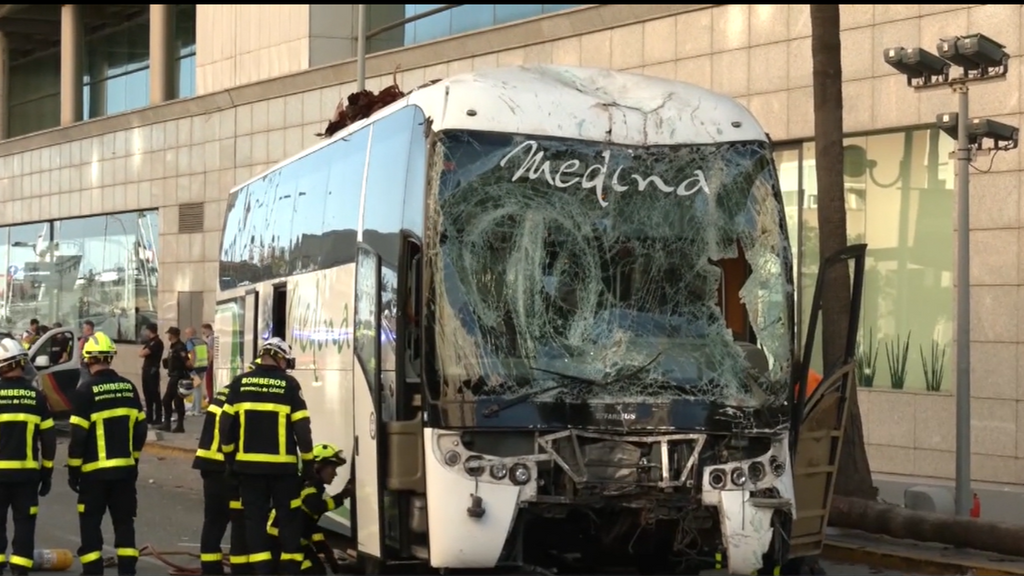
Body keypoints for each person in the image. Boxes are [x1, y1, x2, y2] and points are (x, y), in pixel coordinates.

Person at [219, 337, 314, 575]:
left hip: (249, 470)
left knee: (255, 523)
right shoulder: (289, 385)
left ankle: (262, 572)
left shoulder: (240, 383)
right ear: (280, 357)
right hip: (284, 472)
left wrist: (230, 461)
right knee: (289, 522)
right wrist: (309, 463)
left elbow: (225, 426)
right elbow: (302, 429)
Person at [67, 332, 148, 576]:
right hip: (124, 472)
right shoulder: (128, 387)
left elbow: (78, 437)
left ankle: (92, 571)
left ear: (88, 360)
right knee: (124, 523)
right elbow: (141, 429)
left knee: (91, 523)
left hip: (94, 474)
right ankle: (127, 570)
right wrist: (133, 459)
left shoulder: (84, 391)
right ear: (110, 358)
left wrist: (73, 469)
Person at [0, 338, 57, 576]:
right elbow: (49, 438)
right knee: (25, 524)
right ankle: (20, 569)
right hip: (27, 475)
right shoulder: (37, 397)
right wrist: (47, 471)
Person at [267, 444, 351, 574]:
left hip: (294, 539)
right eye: (332, 468)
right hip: (280, 542)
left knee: (316, 570)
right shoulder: (308, 488)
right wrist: (343, 495)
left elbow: (310, 525)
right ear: (318, 467)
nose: (335, 473)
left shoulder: (312, 486)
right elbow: (317, 507)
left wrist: (326, 552)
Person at [193, 384, 250, 575]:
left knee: (214, 522)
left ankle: (210, 570)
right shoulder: (244, 395)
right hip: (227, 467)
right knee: (239, 523)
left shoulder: (226, 391)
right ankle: (241, 570)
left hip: (209, 465)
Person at [160, 327, 190, 433]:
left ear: (172, 335)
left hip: (178, 377)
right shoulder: (173, 347)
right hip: (174, 375)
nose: (168, 336)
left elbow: (187, 362)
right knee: (174, 401)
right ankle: (170, 424)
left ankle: (176, 425)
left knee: (170, 400)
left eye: (169, 334)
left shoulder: (180, 347)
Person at [138, 323, 164, 424]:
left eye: (146, 330)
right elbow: (141, 352)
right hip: (146, 370)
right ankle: (149, 417)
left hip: (152, 371)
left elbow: (143, 353)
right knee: (147, 394)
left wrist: (143, 352)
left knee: (154, 394)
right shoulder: (150, 342)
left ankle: (158, 417)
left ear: (150, 331)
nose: (145, 332)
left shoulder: (157, 342)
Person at [184, 327, 210, 416]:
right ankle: (194, 408)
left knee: (196, 388)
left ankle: (197, 410)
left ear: (190, 333)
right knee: (197, 387)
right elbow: (209, 353)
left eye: (186, 333)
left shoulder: (190, 342)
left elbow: (192, 354)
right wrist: (208, 363)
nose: (186, 335)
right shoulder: (202, 341)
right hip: (203, 367)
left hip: (195, 368)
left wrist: (191, 365)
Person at [77, 320, 95, 386]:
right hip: (92, 365)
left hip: (85, 365)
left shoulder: (85, 339)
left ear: (88, 329)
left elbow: (80, 352)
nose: (82, 330)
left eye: (84, 328)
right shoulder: (96, 338)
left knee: (84, 384)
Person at [202, 323, 216, 405]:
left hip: (211, 363)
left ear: (208, 329)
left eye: (204, 332)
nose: (204, 334)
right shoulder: (214, 337)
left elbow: (211, 352)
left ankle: (210, 400)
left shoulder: (211, 338)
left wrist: (209, 362)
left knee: (209, 382)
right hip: (213, 362)